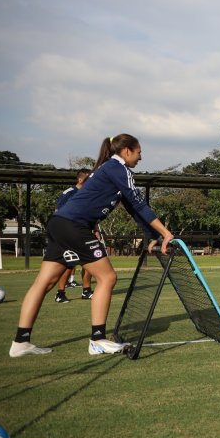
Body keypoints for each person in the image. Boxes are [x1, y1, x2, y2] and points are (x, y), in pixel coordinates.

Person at [9, 134, 174, 357]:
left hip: (59, 224)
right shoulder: (118, 168)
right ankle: (97, 340)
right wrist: (166, 233)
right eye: (139, 152)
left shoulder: (109, 169)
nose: (141, 157)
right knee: (108, 277)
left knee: (44, 282)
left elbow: (133, 209)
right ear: (126, 151)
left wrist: (153, 234)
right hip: (74, 226)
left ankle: (20, 342)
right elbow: (139, 202)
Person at [53, 169, 95, 303]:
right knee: (69, 264)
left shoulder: (89, 194)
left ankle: (86, 291)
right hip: (69, 233)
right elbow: (57, 213)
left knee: (89, 262)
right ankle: (60, 293)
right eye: (89, 179)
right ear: (81, 180)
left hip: (85, 232)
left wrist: (95, 230)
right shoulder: (68, 193)